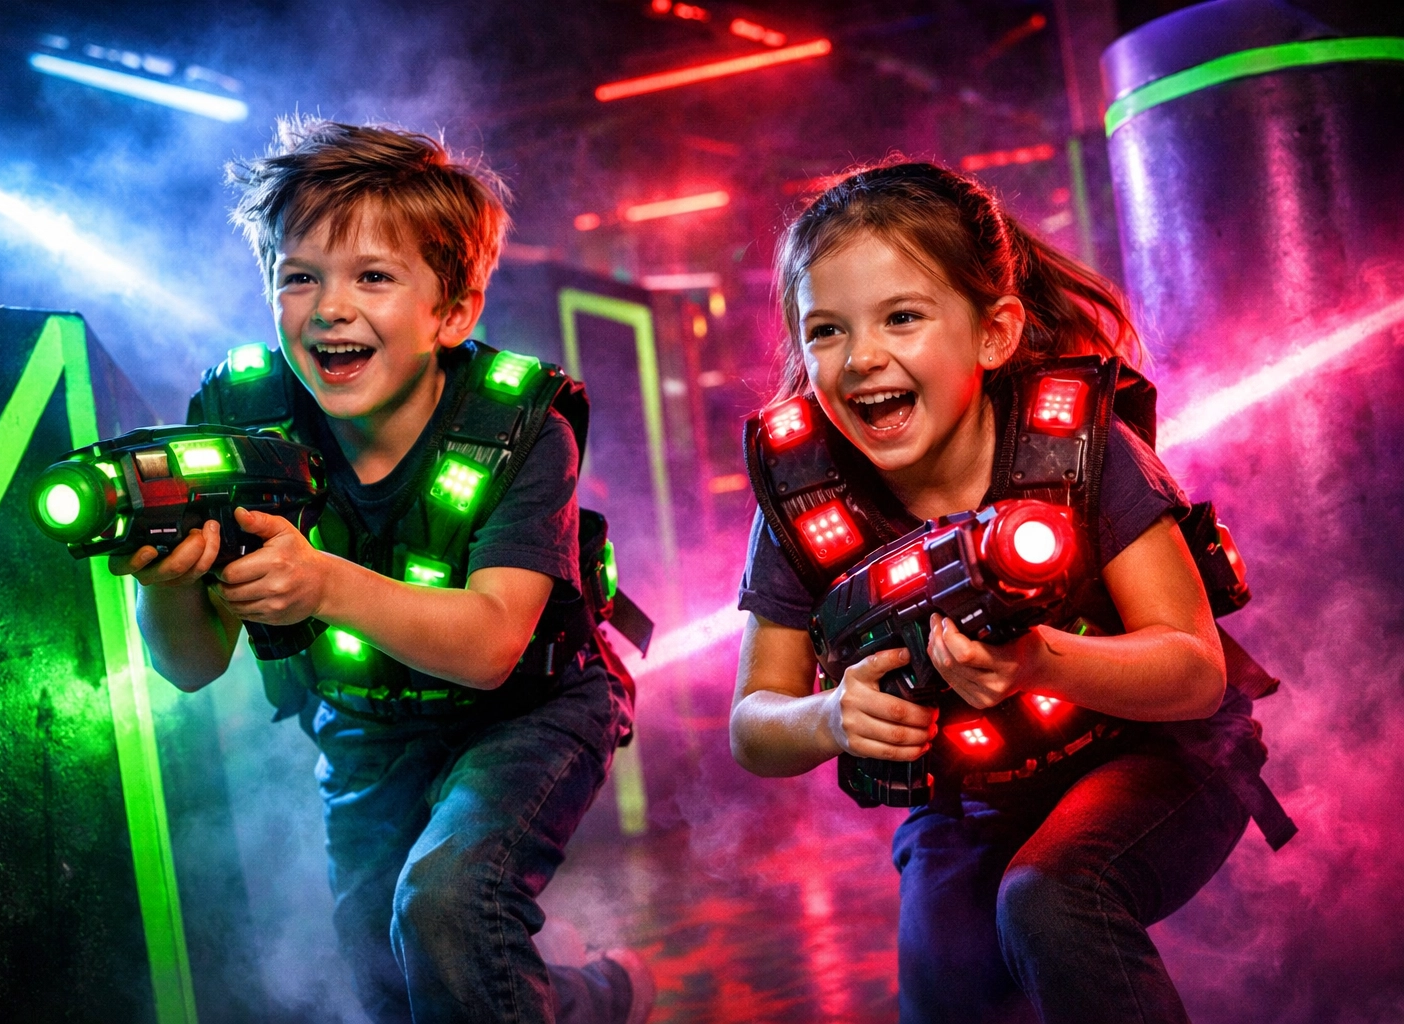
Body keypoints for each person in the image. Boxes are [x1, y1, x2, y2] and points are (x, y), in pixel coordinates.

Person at [113, 117, 653, 1024]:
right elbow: (191, 664)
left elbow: (488, 646)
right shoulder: (241, 418)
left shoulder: (522, 427)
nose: (330, 307)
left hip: (527, 711)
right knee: (389, 975)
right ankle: (594, 999)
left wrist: (323, 582)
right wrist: (165, 579)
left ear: (453, 312)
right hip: (365, 721)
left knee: (445, 907)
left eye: (373, 276)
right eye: (299, 276)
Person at [729, 162, 1283, 1023]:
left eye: (902, 317)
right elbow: (752, 725)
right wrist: (830, 716)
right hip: (973, 796)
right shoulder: (804, 503)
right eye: (826, 331)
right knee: (944, 990)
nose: (861, 357)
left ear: (994, 335)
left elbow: (1194, 673)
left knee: (1051, 898)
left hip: (1157, 759)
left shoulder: (1079, 448)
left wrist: (1040, 661)